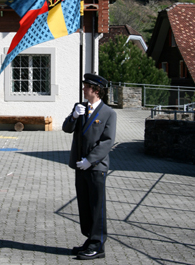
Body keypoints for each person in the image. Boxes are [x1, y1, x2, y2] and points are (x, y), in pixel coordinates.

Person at [62, 73, 116, 260]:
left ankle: (97, 244)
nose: (83, 89)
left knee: (96, 206)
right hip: (80, 165)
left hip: (95, 167)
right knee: (84, 205)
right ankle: (89, 239)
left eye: (86, 87)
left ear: (95, 90)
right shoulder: (81, 108)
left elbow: (108, 142)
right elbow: (66, 129)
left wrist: (90, 160)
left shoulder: (109, 113)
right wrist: (73, 116)